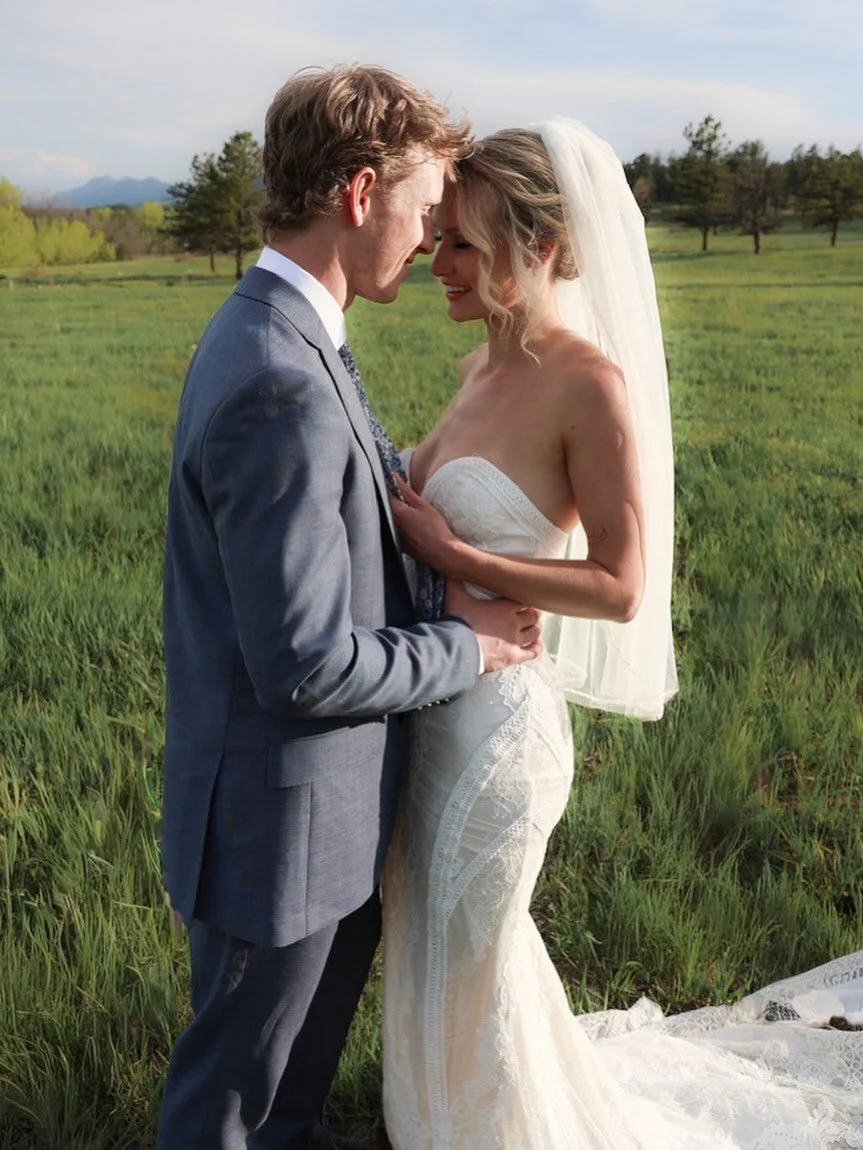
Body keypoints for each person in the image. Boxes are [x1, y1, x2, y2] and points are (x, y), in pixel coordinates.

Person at [380, 120, 863, 1148]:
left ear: (540, 247)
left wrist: (458, 559)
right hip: (434, 708)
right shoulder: (476, 370)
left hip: (499, 737)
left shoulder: (587, 384)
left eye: (463, 243)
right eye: (440, 238)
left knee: (476, 956)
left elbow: (619, 583)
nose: (437, 261)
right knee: (431, 950)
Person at [157, 66, 544, 1150]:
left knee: (282, 1099)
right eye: (424, 209)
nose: (430, 238)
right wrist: (466, 647)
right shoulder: (280, 373)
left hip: (307, 822)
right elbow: (306, 665)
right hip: (276, 834)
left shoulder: (281, 330)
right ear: (362, 194)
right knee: (228, 1105)